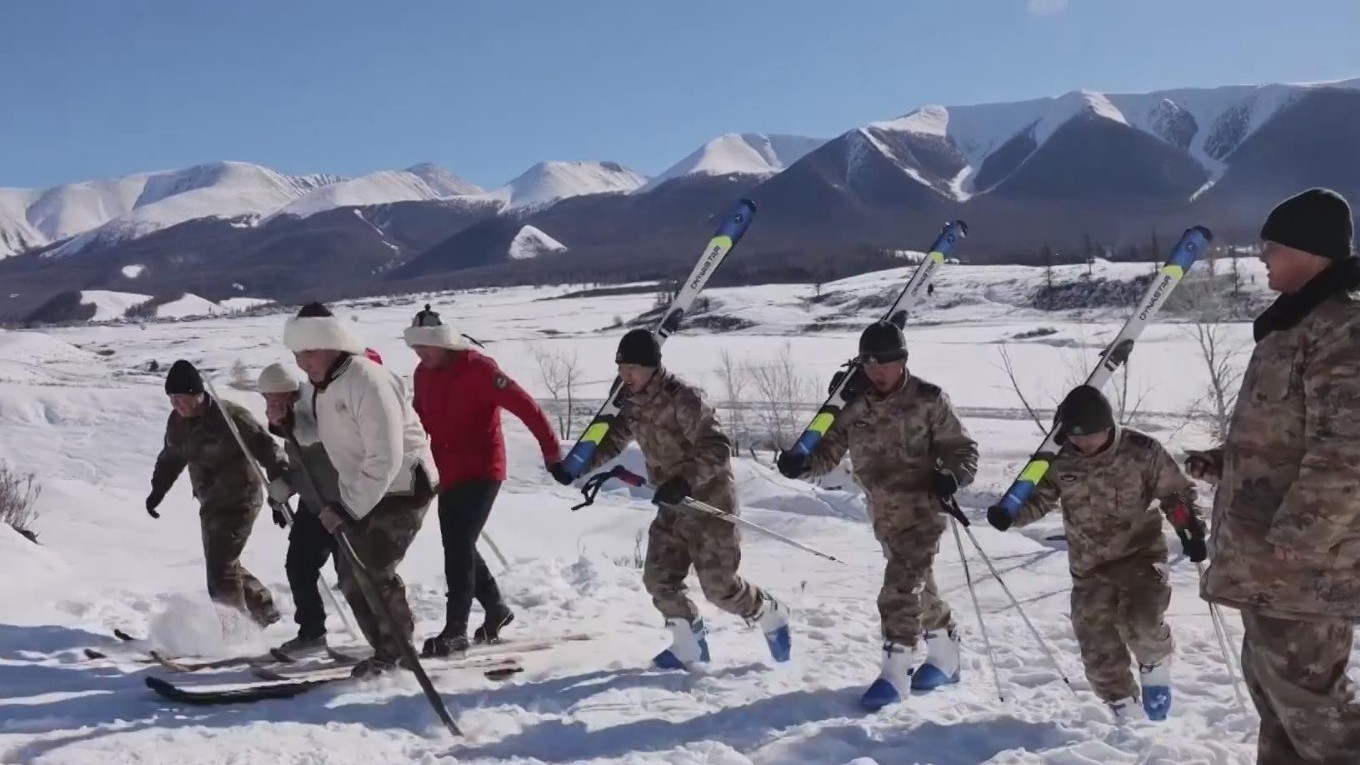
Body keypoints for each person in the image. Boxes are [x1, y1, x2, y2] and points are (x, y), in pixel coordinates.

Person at [1186, 188, 1360, 763]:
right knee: (1279, 705)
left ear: (1309, 251)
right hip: (1271, 567)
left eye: (1272, 246)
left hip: (1305, 569)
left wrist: (1301, 534)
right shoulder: (1297, 324)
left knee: (1317, 715)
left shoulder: (1343, 327)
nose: (1262, 256)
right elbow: (1290, 436)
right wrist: (1227, 460)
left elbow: (1349, 449)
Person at [558, 327, 791, 669]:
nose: (625, 376)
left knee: (719, 587)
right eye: (621, 369)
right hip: (671, 504)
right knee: (659, 578)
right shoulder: (629, 399)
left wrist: (685, 479)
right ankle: (688, 646)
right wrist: (577, 467)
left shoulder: (684, 398)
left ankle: (769, 612)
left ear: (652, 366)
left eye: (632, 369)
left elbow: (718, 447)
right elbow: (613, 439)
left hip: (709, 502)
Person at [776, 320, 978, 710]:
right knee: (918, 584)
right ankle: (945, 652)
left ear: (903, 360)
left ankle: (895, 671)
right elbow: (828, 451)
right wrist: (799, 464)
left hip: (924, 509)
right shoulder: (852, 403)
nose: (878, 371)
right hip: (882, 511)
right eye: (870, 364)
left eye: (886, 363)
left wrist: (953, 476)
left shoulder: (929, 399)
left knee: (900, 586)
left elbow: (962, 449)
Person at [987, 385, 1206, 721]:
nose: (1086, 444)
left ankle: (1155, 665)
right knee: (1096, 648)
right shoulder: (1059, 458)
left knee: (1141, 622)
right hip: (1090, 568)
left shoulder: (1141, 450)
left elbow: (1176, 494)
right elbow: (1038, 498)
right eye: (1078, 438)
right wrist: (1010, 514)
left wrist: (1188, 528)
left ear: (1108, 426)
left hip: (1141, 556)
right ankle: (1125, 713)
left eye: (1093, 436)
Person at [280, 301, 439, 677]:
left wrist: (348, 508)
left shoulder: (368, 380)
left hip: (402, 486)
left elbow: (385, 456)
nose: (304, 362)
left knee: (372, 566)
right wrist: (286, 421)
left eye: (311, 352)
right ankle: (387, 649)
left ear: (334, 343)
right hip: (364, 489)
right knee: (353, 574)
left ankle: (397, 651)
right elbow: (319, 433)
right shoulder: (323, 386)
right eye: (298, 354)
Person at [402, 304, 566, 656]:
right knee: (459, 545)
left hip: (482, 470)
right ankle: (496, 610)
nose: (420, 353)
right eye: (416, 348)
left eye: (425, 346)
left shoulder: (479, 369)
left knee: (459, 546)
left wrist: (552, 453)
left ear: (444, 341)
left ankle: (455, 629)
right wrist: (411, 461)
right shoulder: (422, 374)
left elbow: (527, 408)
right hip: (447, 472)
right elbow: (419, 422)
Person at [147, 359, 291, 628]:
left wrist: (279, 492)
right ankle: (264, 609)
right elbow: (171, 457)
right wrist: (157, 491)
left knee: (220, 568)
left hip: (240, 500)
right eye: (171, 399)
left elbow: (268, 450)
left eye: (181, 398)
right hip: (210, 503)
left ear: (198, 394)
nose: (176, 405)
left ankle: (236, 632)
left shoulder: (231, 417)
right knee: (223, 562)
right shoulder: (177, 422)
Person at [256, 362, 343, 656]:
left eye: (280, 400)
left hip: (344, 504)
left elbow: (315, 446)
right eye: (268, 400)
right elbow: (302, 469)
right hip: (314, 506)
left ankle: (390, 635)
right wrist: (281, 490)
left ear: (294, 396)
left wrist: (287, 423)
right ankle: (312, 633)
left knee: (355, 576)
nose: (273, 407)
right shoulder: (289, 424)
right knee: (299, 566)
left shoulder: (313, 414)